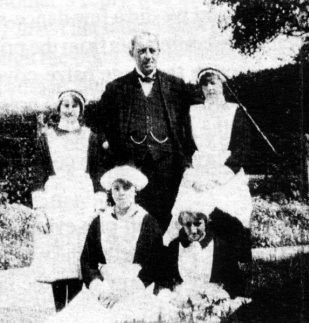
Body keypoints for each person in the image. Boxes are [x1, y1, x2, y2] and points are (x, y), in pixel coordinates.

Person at [97, 31, 196, 233]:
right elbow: (98, 124)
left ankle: (169, 264)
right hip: (132, 169)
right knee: (137, 226)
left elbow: (194, 121)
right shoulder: (116, 88)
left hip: (169, 169)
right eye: (142, 51)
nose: (148, 55)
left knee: (169, 225)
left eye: (152, 50)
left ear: (159, 52)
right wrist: (107, 144)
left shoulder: (175, 86)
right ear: (131, 53)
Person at [47, 165, 163, 322]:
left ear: (135, 190)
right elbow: (87, 262)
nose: (121, 192)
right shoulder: (100, 221)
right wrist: (101, 290)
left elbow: (154, 265)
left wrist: (124, 292)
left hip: (135, 289)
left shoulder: (147, 222)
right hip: (105, 289)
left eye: (126, 187)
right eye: (116, 188)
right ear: (111, 192)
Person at [164, 67, 253, 263]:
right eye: (205, 84)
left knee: (230, 215)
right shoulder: (193, 112)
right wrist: (193, 177)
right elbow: (184, 147)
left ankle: (231, 272)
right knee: (188, 214)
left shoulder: (235, 111)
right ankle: (187, 268)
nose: (210, 88)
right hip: (198, 173)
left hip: (227, 175)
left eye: (214, 83)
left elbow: (242, 149)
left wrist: (218, 178)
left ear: (223, 85)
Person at [31, 90, 106, 312]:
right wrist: (40, 210)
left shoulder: (90, 136)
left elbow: (96, 171)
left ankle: (73, 314)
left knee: (77, 259)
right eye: (66, 105)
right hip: (56, 202)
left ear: (81, 110)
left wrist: (98, 204)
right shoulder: (47, 137)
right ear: (59, 109)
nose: (70, 110)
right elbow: (39, 174)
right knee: (59, 261)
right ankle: (59, 312)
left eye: (74, 106)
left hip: (81, 202)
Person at [164, 200, 247, 298]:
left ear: (206, 222)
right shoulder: (174, 247)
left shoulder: (221, 247)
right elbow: (166, 282)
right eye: (188, 225)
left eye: (197, 224)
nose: (193, 230)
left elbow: (235, 284)